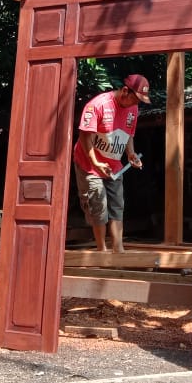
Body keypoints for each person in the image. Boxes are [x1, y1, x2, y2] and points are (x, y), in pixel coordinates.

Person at [72, 73, 150, 252]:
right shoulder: (98, 105)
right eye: (135, 99)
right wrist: (95, 162)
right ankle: (102, 249)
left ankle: (118, 248)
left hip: (114, 166)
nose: (136, 104)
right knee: (98, 202)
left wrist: (130, 154)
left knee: (116, 205)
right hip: (89, 165)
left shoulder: (133, 109)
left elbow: (129, 133)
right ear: (125, 91)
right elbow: (85, 136)